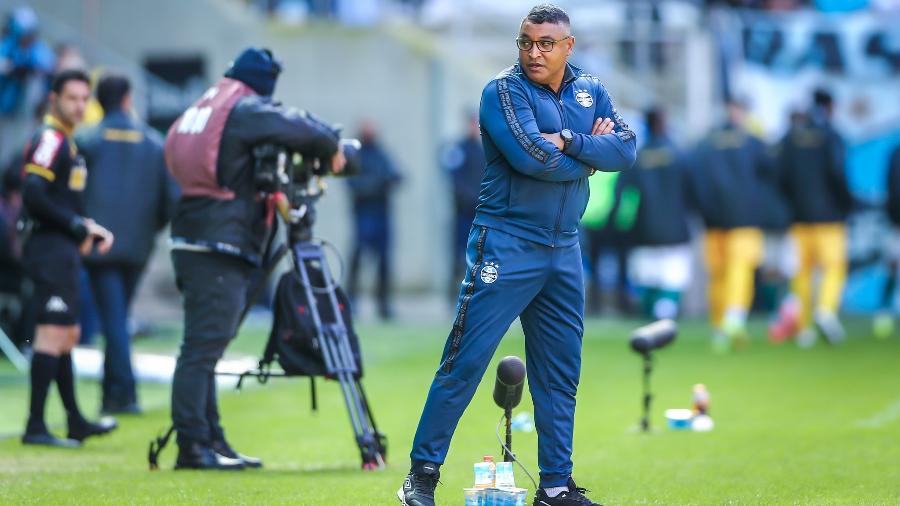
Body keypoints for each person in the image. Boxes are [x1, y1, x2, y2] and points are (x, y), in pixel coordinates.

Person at [397, 5, 636, 506]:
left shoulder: (591, 89)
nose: (534, 52)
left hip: (564, 248)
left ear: (568, 46)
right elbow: (533, 159)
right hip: (506, 242)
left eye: (546, 43)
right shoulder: (501, 92)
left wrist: (570, 139)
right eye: (526, 42)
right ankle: (420, 478)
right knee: (465, 362)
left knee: (559, 373)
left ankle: (554, 486)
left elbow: (626, 150)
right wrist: (592, 153)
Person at [164, 48, 345, 470]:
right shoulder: (244, 108)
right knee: (201, 350)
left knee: (204, 347)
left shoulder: (206, 105)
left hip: (193, 237)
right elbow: (298, 128)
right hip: (220, 244)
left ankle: (212, 441)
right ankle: (193, 448)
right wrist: (332, 141)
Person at [19, 69, 118, 447]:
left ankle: (74, 420)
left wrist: (84, 227)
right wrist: (76, 226)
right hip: (48, 251)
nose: (79, 105)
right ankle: (35, 427)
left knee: (69, 333)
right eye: (71, 98)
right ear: (53, 100)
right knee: (52, 332)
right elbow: (33, 193)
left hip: (62, 250)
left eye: (84, 99)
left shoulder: (68, 143)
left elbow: (57, 201)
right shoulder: (50, 139)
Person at [75, 73, 180, 414]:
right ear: (127, 99)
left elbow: (73, 193)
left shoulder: (87, 141)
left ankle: (124, 394)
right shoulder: (154, 143)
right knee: (117, 318)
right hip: (137, 247)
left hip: (98, 245)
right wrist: (148, 230)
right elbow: (171, 201)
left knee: (114, 320)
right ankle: (115, 393)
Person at [689, 98, 769, 352]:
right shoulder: (753, 142)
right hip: (744, 219)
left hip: (713, 221)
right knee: (740, 269)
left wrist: (703, 211)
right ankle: (734, 317)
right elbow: (769, 174)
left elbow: (693, 180)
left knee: (719, 274)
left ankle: (719, 327)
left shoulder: (705, 144)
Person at [778, 89, 852, 347]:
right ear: (830, 105)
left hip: (798, 217)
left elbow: (781, 178)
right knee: (834, 266)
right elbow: (837, 173)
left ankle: (804, 328)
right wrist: (847, 204)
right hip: (829, 217)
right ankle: (825, 309)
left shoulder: (791, 137)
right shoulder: (831, 136)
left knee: (802, 272)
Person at [614, 107, 691, 321]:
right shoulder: (679, 154)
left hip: (644, 227)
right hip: (676, 227)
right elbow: (693, 190)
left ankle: (649, 316)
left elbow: (622, 193)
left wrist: (621, 223)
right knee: (673, 276)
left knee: (646, 276)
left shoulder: (636, 156)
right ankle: (664, 314)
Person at [346, 119, 402, 319]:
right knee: (358, 258)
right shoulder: (356, 155)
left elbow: (397, 176)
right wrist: (378, 184)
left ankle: (384, 304)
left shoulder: (381, 153)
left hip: (382, 215)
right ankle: (350, 300)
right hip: (364, 215)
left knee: (384, 262)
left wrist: (376, 184)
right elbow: (355, 186)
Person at [440, 111, 484, 302]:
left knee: (481, 256)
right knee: (459, 255)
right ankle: (453, 295)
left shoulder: (485, 151)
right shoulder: (458, 149)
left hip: (482, 214)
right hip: (463, 213)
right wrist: (471, 198)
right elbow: (454, 180)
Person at [874, 144, 900, 339]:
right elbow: (892, 187)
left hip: (894, 220)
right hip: (896, 222)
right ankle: (883, 312)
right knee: (892, 266)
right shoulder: (896, 153)